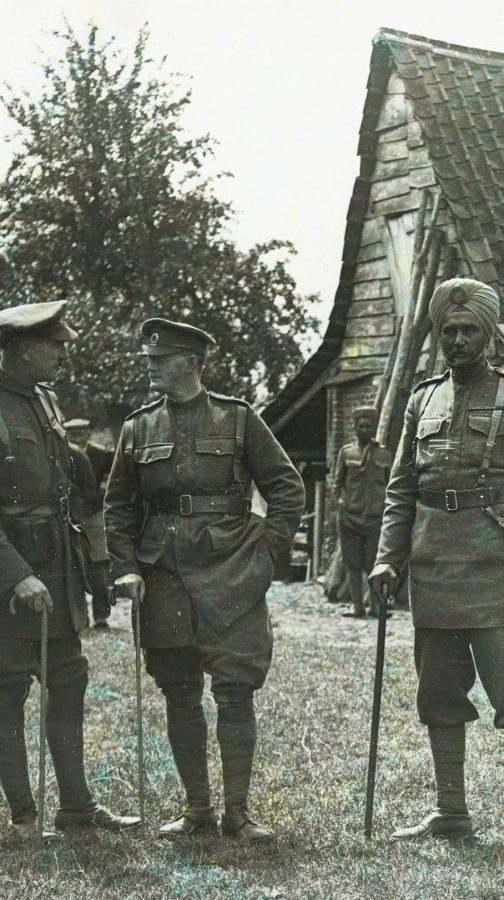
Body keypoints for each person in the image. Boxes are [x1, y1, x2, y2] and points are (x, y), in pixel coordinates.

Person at [369, 279, 504, 853]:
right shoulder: (422, 398)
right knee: (439, 693)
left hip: (498, 564)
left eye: (468, 330)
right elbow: (402, 487)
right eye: (448, 331)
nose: (457, 340)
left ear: (489, 333)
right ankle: (450, 811)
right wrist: (386, 559)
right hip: (433, 567)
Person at [106, 318, 305, 842]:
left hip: (232, 573)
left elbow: (287, 488)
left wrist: (266, 555)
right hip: (164, 575)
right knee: (179, 690)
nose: (149, 366)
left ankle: (237, 813)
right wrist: (126, 565)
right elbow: (118, 506)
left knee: (236, 690)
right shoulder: (137, 428)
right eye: (148, 358)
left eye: (159, 359)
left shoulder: (239, 419)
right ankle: (197, 810)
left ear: (190, 364)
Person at [0, 300, 138, 841]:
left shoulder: (47, 403)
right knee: (7, 693)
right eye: (54, 344)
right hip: (10, 578)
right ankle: (23, 817)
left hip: (57, 566)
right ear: (17, 348)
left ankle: (77, 809)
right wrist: (14, 575)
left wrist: (94, 564)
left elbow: (73, 496)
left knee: (67, 683)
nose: (63, 352)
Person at [331, 406, 391, 618]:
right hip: (350, 516)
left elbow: (390, 483)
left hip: (375, 517)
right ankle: (356, 606)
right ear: (355, 428)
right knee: (352, 562)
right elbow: (337, 482)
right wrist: (340, 502)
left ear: (373, 428)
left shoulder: (384, 453)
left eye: (368, 426)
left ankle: (376, 607)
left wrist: (385, 507)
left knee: (374, 562)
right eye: (361, 426)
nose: (365, 430)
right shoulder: (346, 453)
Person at [64, 418, 112, 630]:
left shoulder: (99, 452)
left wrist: (103, 491)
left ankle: (101, 616)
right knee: (73, 566)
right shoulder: (62, 453)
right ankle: (80, 618)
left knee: (99, 565)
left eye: (81, 432)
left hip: (94, 514)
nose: (77, 437)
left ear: (88, 432)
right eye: (72, 433)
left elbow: (116, 474)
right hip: (71, 515)